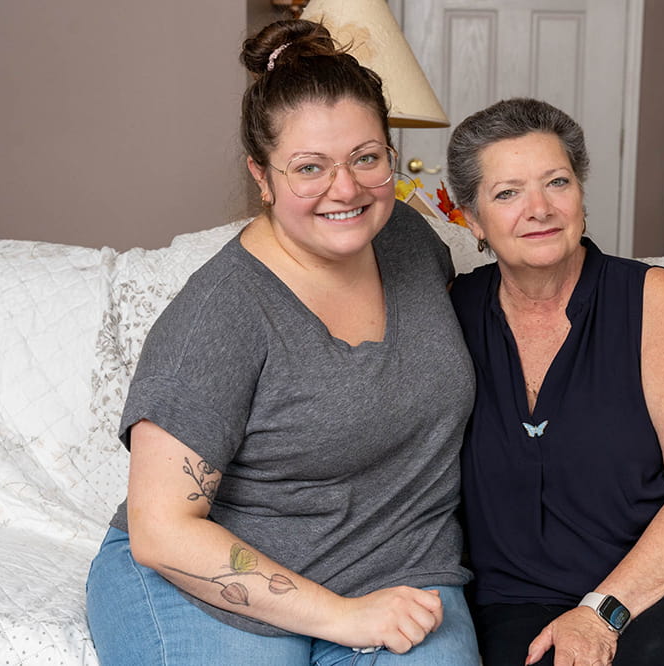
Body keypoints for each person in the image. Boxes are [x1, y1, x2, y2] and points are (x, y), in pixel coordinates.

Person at [85, 19, 481, 665]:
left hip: (399, 570)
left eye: (367, 157)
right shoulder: (220, 314)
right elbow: (162, 532)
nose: (345, 188)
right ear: (262, 177)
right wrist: (343, 618)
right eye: (309, 168)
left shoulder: (408, 241)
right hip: (209, 583)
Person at [446, 98, 664, 666]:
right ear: (472, 219)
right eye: (508, 193)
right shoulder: (452, 311)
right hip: (520, 598)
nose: (539, 208)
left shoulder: (650, 297)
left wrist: (600, 610)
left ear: (582, 197)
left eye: (556, 182)